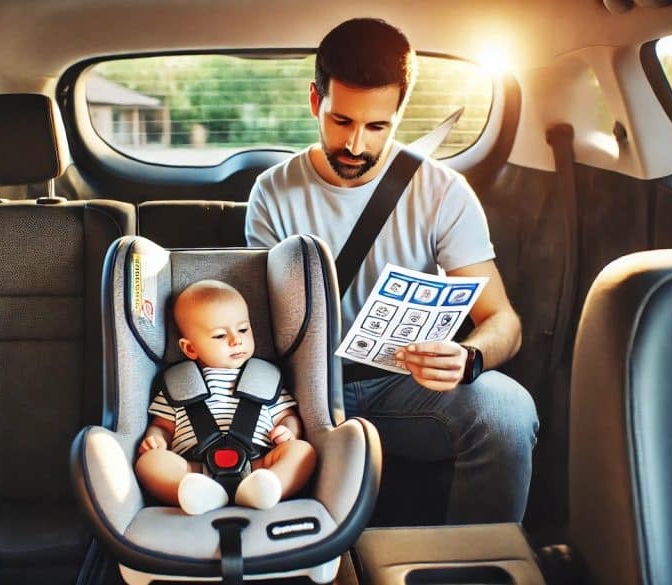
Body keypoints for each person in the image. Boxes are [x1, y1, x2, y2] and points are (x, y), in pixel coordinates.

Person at [244, 17, 538, 524]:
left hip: (402, 384)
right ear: (316, 102)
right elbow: (265, 330)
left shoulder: (443, 192)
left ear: (399, 115)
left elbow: (504, 323)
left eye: (377, 126)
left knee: (507, 410)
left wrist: (469, 358)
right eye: (341, 121)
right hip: (306, 388)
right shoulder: (272, 193)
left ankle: (475, 566)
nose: (356, 145)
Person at [135, 279, 317, 515]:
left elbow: (287, 416)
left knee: (302, 451)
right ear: (190, 348)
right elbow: (162, 426)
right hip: (195, 469)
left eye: (243, 329)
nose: (236, 340)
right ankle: (196, 494)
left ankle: (267, 489)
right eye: (220, 336)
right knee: (149, 463)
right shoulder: (179, 383)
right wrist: (156, 439)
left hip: (258, 464)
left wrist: (289, 430)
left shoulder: (265, 379)